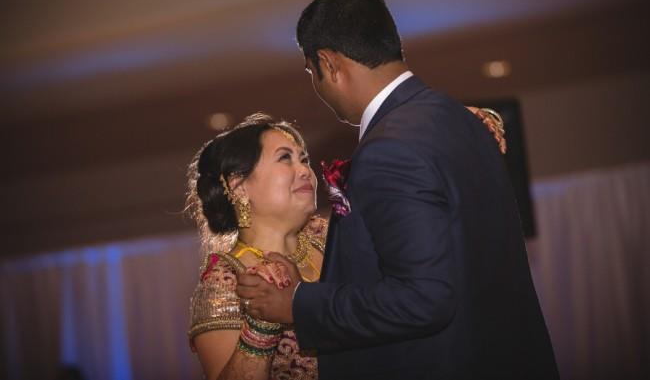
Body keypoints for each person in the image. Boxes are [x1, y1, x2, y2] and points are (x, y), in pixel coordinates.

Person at [236, 0, 560, 380]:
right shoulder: (467, 123)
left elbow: (424, 298)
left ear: (328, 63)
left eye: (311, 73)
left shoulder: (389, 148)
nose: (316, 86)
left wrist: (299, 303)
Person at [187, 111, 506, 380]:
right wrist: (261, 327)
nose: (305, 171)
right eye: (285, 159)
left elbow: (412, 236)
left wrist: (448, 130)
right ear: (239, 186)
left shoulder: (332, 234)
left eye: (304, 159)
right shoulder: (225, 283)